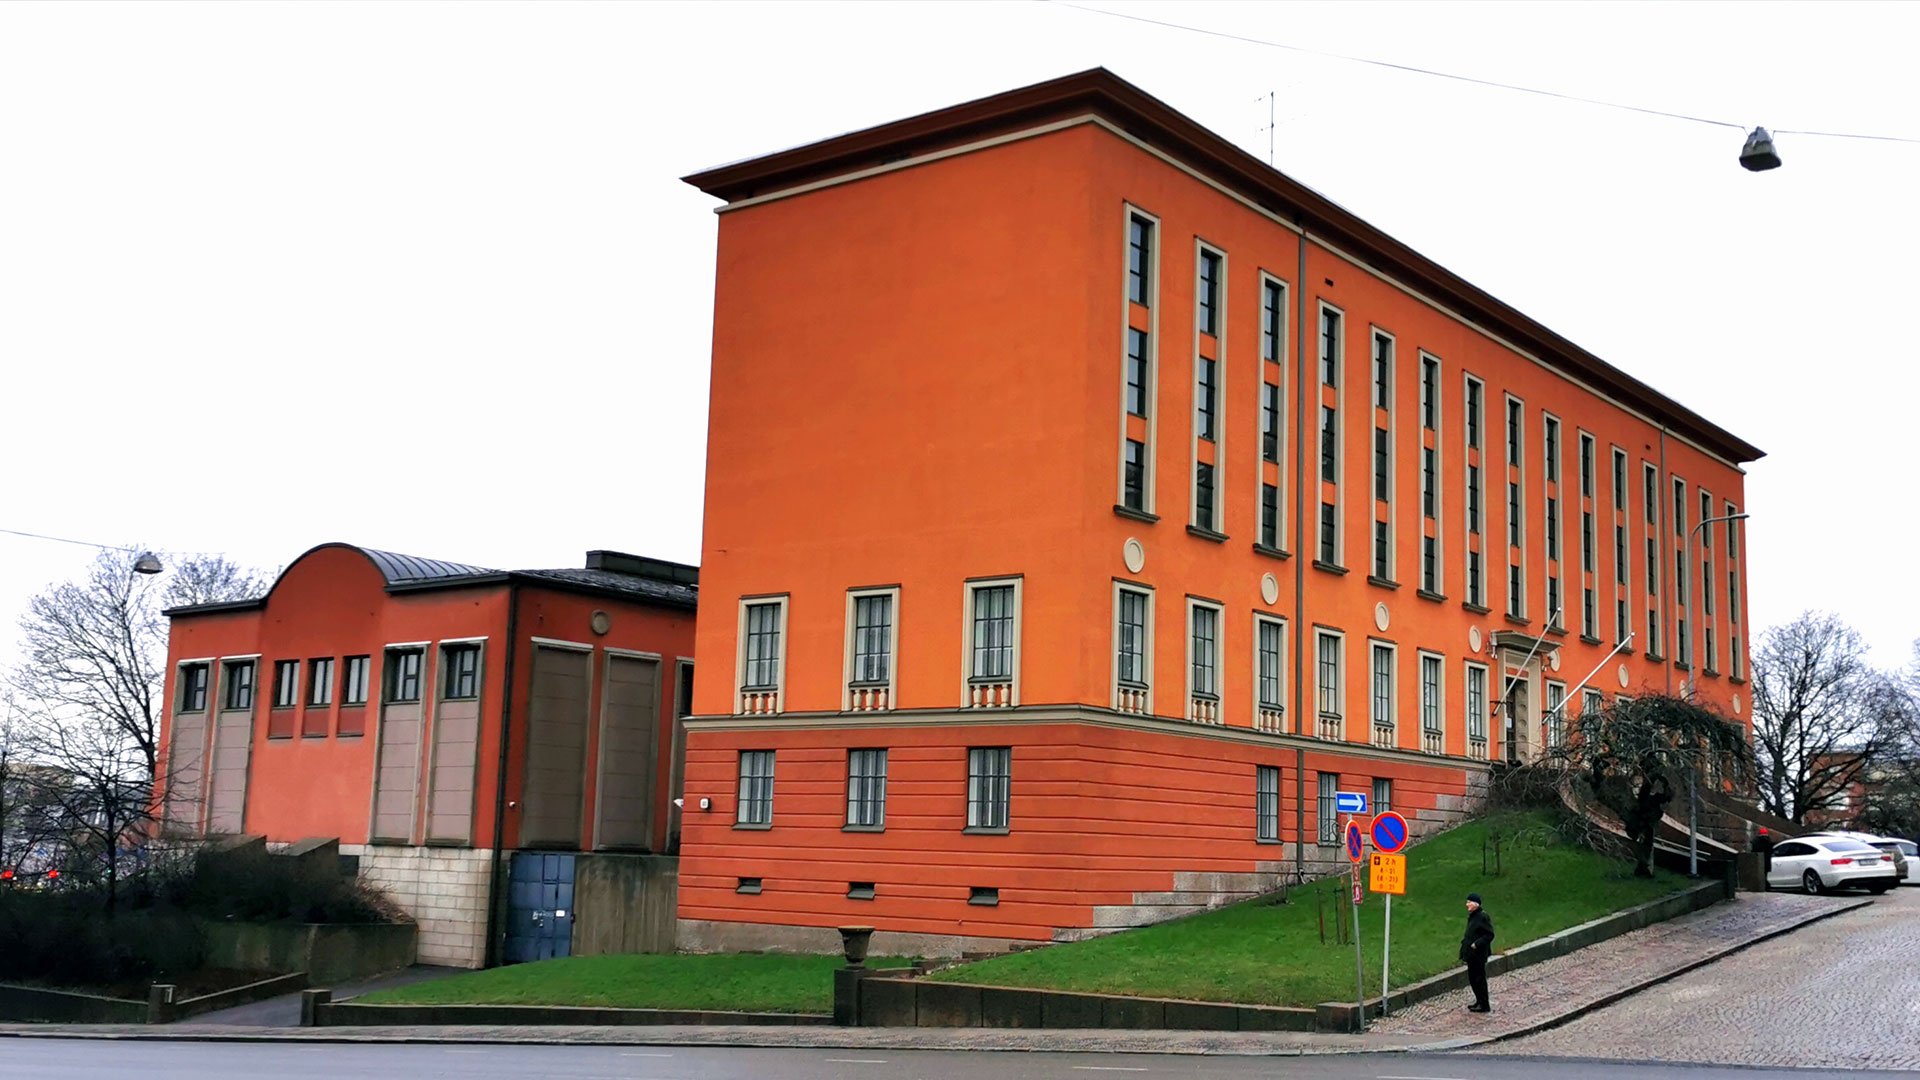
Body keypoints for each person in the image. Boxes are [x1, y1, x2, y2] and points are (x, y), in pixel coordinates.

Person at [1460, 892, 1496, 1013]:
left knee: (1479, 979)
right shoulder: (1473, 916)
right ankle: (1479, 1001)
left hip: (1478, 955)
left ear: (1475, 904)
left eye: (1469, 902)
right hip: (1471, 954)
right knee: (1472, 978)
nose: (1467, 904)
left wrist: (1477, 944)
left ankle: (1484, 1004)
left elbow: (1489, 934)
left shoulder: (1482, 916)